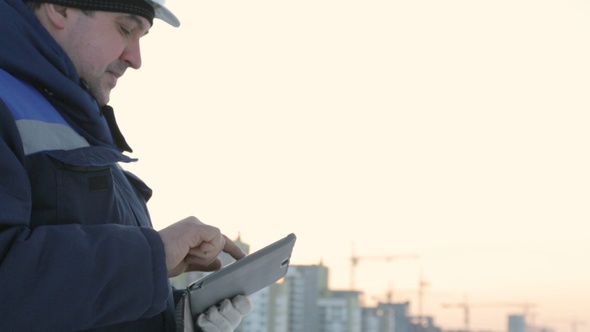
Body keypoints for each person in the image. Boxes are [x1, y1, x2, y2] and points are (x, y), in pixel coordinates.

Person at [0, 0, 251, 330]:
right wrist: (152, 256)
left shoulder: (73, 121)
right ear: (58, 8)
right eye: (125, 29)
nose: (135, 59)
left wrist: (181, 319)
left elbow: (65, 303)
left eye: (141, 38)